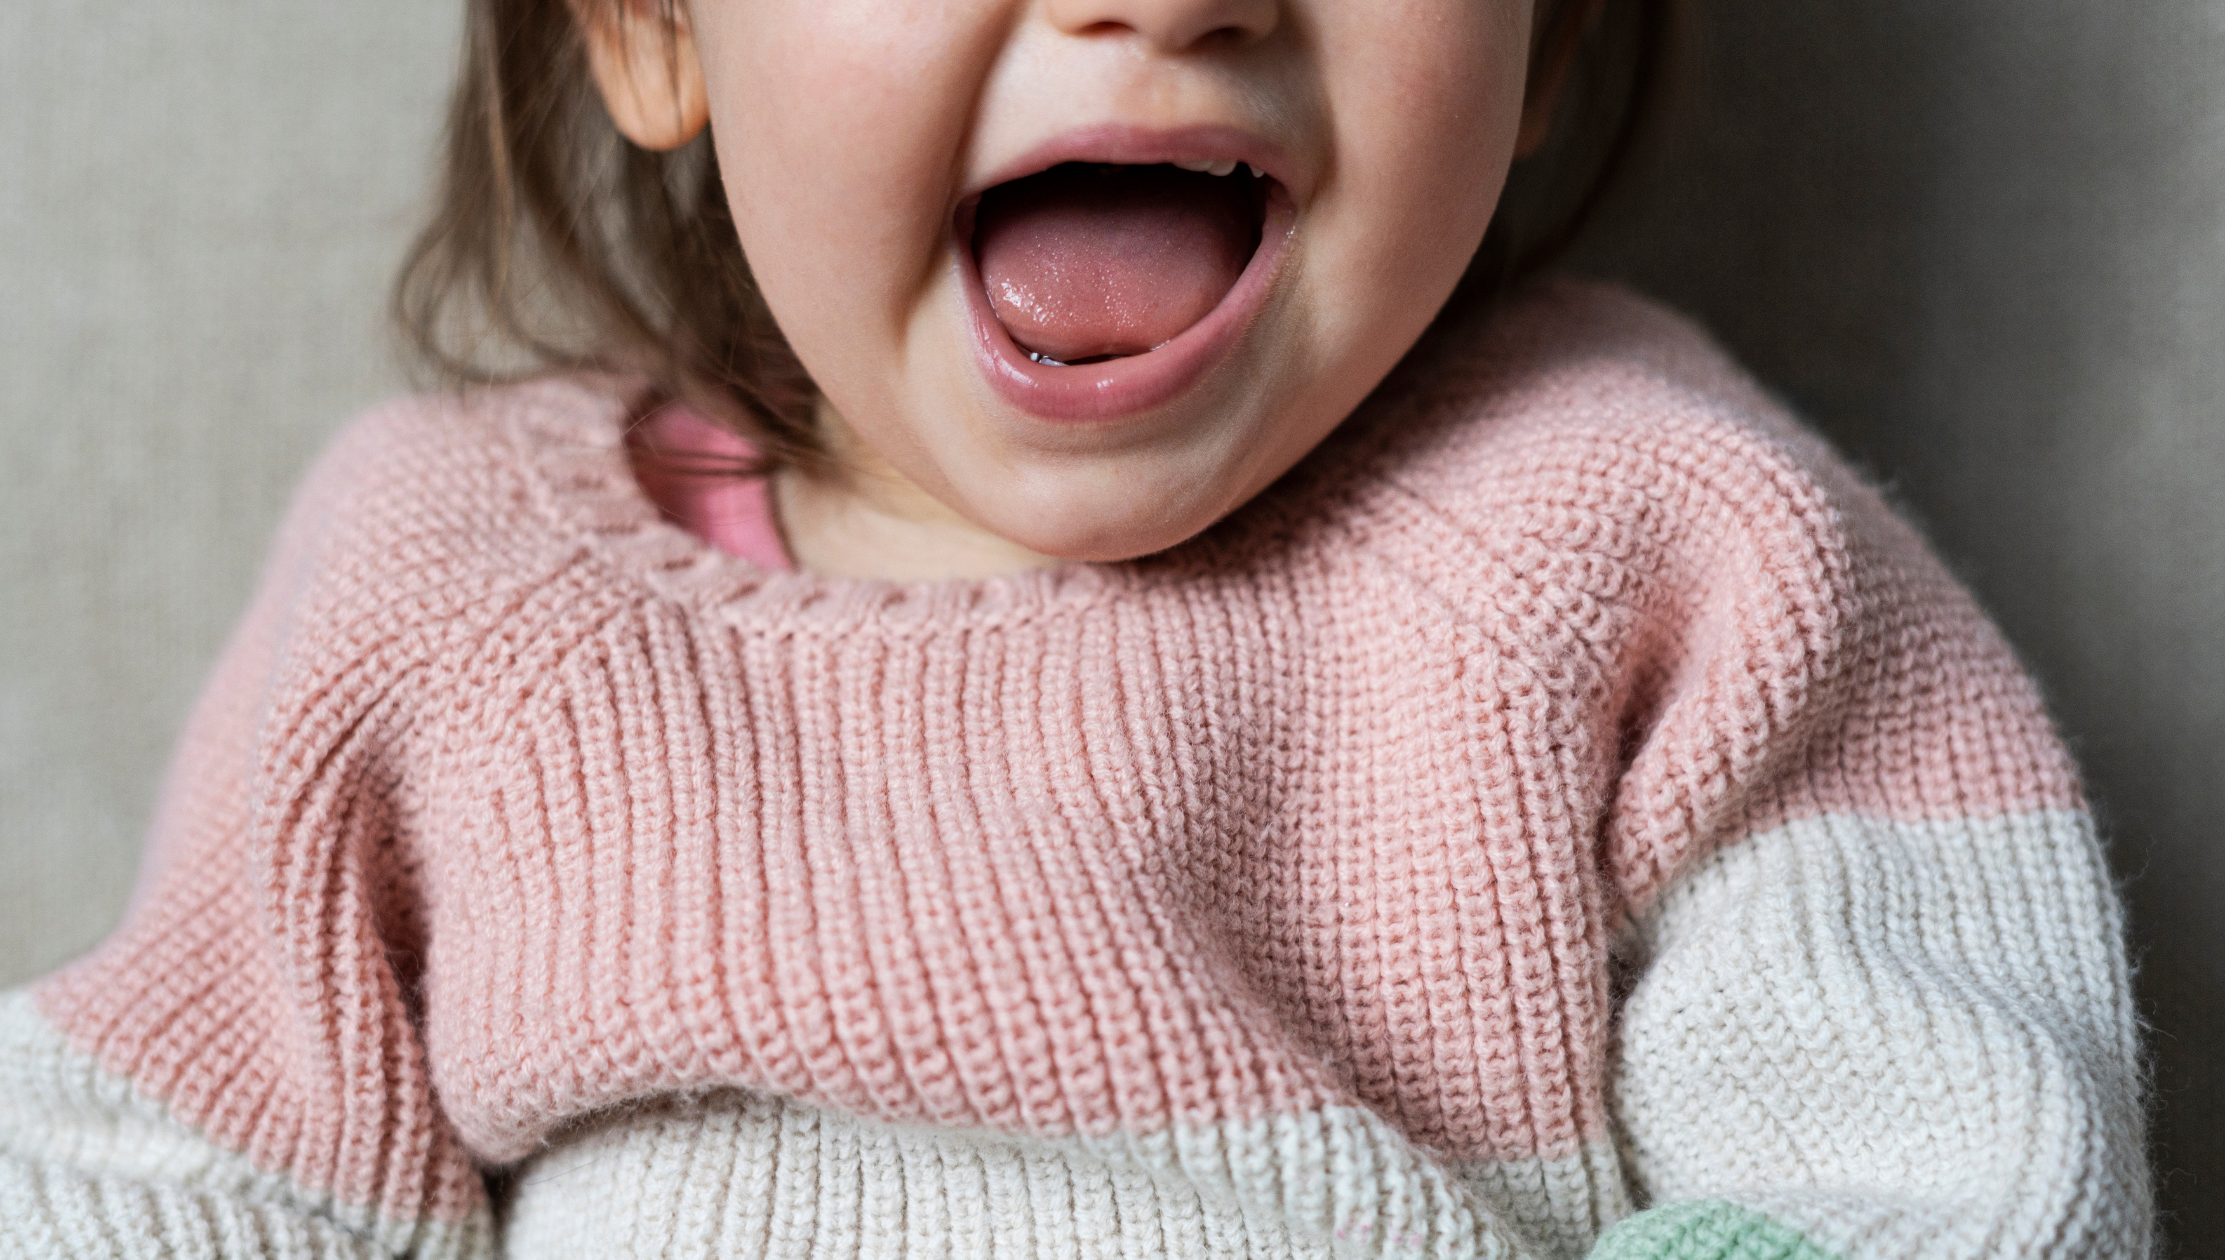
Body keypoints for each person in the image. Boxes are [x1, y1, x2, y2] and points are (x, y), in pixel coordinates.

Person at [0, 0, 2151, 1256]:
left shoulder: (1657, 543)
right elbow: (154, 1178)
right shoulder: (456, 593)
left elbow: (1946, 1190)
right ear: (650, 20)